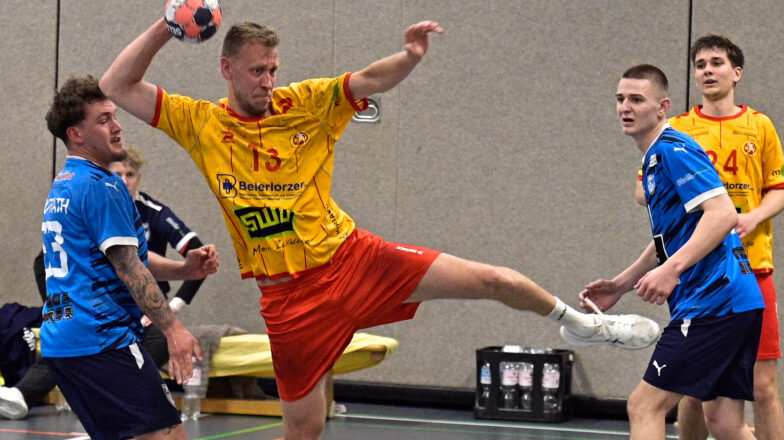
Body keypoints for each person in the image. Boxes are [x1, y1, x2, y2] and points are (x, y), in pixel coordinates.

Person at [100, 19, 661, 440]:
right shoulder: (201, 122)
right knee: (305, 430)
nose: (269, 80)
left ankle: (579, 323)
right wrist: (168, 25)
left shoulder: (307, 102)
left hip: (354, 259)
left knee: (488, 277)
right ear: (226, 70)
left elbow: (371, 78)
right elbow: (117, 83)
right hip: (288, 299)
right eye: (256, 70)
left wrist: (410, 55)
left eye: (273, 68)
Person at [581, 64, 765, 440]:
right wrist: (622, 284)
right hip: (739, 302)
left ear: (662, 106)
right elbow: (674, 234)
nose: (625, 108)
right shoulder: (653, 159)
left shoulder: (673, 150)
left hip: (715, 303)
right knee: (726, 423)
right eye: (620, 99)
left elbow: (723, 214)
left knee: (644, 406)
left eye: (637, 99)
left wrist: (672, 270)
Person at [38, 75, 217, 440]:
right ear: (76, 134)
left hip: (64, 343)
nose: (117, 127)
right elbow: (128, 267)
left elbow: (124, 256)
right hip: (103, 342)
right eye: (103, 120)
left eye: (114, 116)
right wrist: (174, 329)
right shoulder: (102, 185)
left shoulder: (65, 184)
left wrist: (184, 268)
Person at [635, 36, 784, 440]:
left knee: (763, 386)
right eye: (699, 63)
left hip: (750, 266)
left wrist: (752, 215)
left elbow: (780, 189)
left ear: (736, 72)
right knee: (695, 392)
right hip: (699, 271)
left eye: (716, 62)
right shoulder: (680, 132)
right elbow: (645, 193)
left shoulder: (759, 125)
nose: (706, 70)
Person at [0, 146, 212, 421]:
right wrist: (60, 303)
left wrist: (170, 308)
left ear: (139, 178)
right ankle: (22, 393)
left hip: (141, 305)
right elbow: (45, 260)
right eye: (118, 174)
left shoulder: (150, 211)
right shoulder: (91, 200)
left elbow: (146, 261)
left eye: (131, 174)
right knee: (69, 331)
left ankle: (118, 391)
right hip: (91, 302)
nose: (124, 181)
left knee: (148, 337)